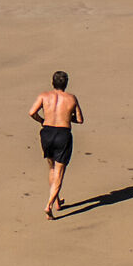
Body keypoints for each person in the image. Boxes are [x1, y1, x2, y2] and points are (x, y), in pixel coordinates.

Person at [29, 70, 83, 218]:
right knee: (59, 171)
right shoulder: (71, 98)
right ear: (66, 84)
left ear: (53, 82)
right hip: (63, 134)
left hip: (47, 133)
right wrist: (67, 117)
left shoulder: (44, 96)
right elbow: (79, 119)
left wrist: (42, 121)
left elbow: (32, 112)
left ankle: (57, 200)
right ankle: (49, 205)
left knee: (51, 167)